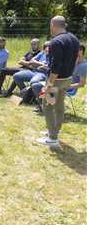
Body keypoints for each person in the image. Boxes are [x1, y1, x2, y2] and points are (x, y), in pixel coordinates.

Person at [36, 16, 79, 147]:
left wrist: (49, 84)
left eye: (50, 25)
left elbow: (56, 66)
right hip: (67, 79)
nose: (50, 28)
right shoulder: (74, 38)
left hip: (56, 80)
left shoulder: (56, 41)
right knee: (59, 106)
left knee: (48, 106)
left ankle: (52, 138)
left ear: (53, 25)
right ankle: (54, 131)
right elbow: (76, 59)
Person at [32, 44, 86, 114]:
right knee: (36, 85)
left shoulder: (83, 66)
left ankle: (48, 108)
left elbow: (82, 84)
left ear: (81, 52)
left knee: (39, 87)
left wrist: (68, 86)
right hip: (60, 83)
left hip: (68, 87)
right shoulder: (71, 62)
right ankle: (45, 106)